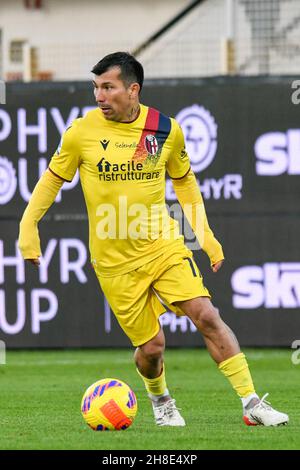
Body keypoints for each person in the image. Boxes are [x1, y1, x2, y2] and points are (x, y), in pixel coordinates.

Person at [18, 51, 288, 427]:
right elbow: (51, 181)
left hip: (162, 245)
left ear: (133, 89)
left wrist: (205, 237)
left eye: (107, 87)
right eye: (95, 87)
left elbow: (186, 183)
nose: (99, 96)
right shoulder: (81, 132)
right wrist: (28, 227)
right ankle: (161, 400)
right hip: (113, 260)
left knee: (207, 314)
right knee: (151, 347)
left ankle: (252, 403)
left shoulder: (165, 129)